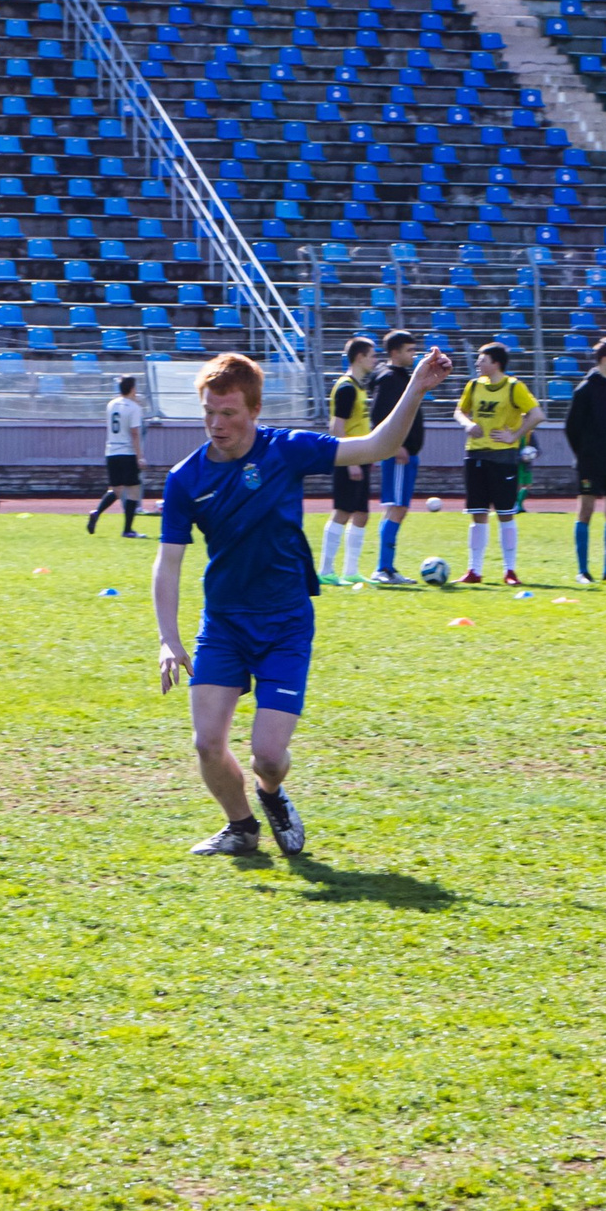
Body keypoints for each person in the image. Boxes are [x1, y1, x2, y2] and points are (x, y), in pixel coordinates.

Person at [153, 346, 454, 857]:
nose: (216, 424)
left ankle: (270, 794)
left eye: (228, 413)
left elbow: (377, 445)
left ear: (253, 411)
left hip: (286, 622)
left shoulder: (286, 450)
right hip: (224, 624)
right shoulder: (186, 478)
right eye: (208, 412)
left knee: (268, 757)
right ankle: (241, 827)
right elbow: (168, 561)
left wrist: (417, 389)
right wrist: (168, 637)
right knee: (207, 743)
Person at [453, 342, 543, 586]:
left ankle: (510, 571)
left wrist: (514, 436)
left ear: (496, 363)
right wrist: (467, 424)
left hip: (503, 458)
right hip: (475, 455)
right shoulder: (474, 385)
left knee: (506, 514)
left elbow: (537, 414)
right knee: (477, 514)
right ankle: (474, 570)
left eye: (482, 359)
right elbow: (459, 411)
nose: (477, 363)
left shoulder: (514, 387)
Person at [562, 337, 606, 582]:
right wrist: (583, 455)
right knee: (586, 512)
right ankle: (583, 570)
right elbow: (571, 428)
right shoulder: (584, 389)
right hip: (590, 462)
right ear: (604, 360)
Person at [366, 331, 431, 585]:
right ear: (394, 353)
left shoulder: (401, 377)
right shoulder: (390, 379)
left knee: (397, 507)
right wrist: (397, 446)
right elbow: (379, 415)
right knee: (397, 507)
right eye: (408, 351)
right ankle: (384, 569)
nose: (412, 356)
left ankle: (386, 567)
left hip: (407, 454)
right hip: (400, 455)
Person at [320, 337, 380, 584]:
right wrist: (350, 461)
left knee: (362, 513)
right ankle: (326, 572)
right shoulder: (346, 387)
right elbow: (336, 427)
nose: (375, 360)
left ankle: (351, 571)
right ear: (359, 357)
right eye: (372, 355)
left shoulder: (359, 387)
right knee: (343, 511)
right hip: (348, 457)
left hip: (360, 456)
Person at [89, 373, 149, 538]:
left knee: (115, 490)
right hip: (127, 452)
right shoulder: (134, 408)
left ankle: (97, 511)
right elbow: (135, 433)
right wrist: (140, 456)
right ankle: (128, 530)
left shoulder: (111, 404)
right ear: (132, 388)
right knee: (133, 491)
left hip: (111, 452)